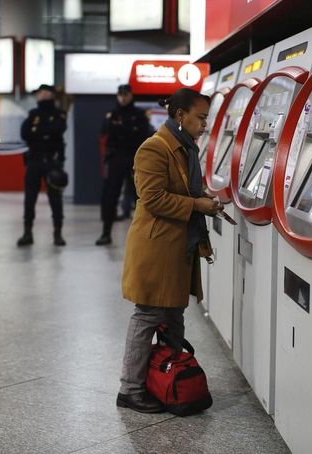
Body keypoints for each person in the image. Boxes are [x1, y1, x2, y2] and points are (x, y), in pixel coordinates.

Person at [116, 88, 221, 413]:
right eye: (201, 118)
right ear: (180, 116)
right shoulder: (154, 148)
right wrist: (197, 204)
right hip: (157, 246)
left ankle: (167, 376)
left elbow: (182, 188)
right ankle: (130, 390)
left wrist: (204, 197)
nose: (205, 124)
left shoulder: (185, 147)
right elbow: (153, 198)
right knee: (147, 314)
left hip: (176, 244)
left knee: (173, 313)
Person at [96, 84, 151, 246]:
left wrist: (122, 131)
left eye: (126, 94)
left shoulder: (139, 115)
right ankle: (106, 233)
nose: (123, 97)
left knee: (140, 197)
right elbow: (105, 135)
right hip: (116, 159)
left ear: (131, 95)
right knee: (110, 196)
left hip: (135, 158)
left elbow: (142, 135)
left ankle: (144, 235)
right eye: (120, 95)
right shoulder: (111, 115)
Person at [17, 84, 68, 247]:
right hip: (34, 161)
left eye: (43, 92)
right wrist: (44, 133)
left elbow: (57, 130)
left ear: (50, 94)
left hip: (52, 161)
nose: (40, 95)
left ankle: (57, 233)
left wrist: (39, 132)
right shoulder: (33, 114)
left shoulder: (59, 114)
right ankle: (27, 232)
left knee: (55, 198)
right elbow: (25, 134)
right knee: (30, 197)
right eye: (38, 93)